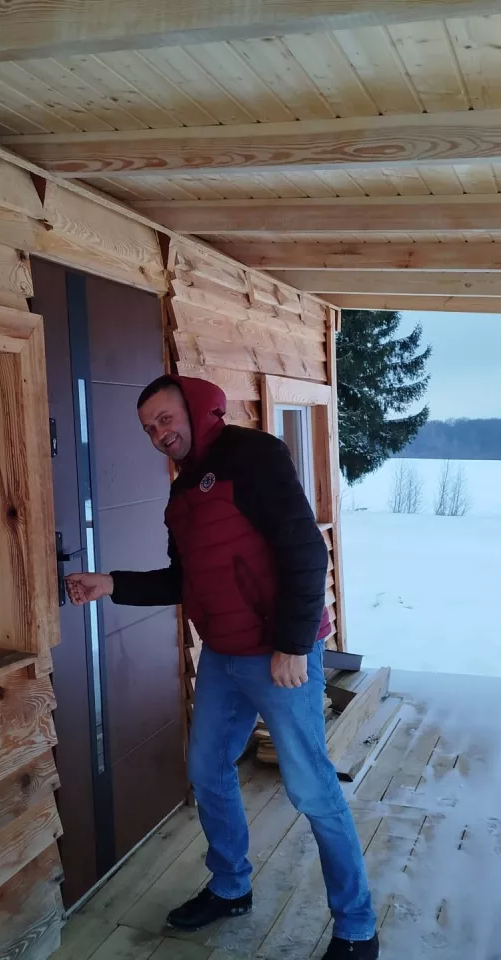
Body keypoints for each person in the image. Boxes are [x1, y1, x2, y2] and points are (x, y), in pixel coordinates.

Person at [65, 374, 379, 959]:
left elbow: (307, 550)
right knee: (206, 767)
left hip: (279, 652)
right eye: (149, 428)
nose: (159, 434)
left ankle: (357, 926)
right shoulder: (182, 494)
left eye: (165, 418)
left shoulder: (254, 455)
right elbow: (181, 581)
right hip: (223, 655)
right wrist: (111, 583)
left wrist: (292, 644)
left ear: (194, 407)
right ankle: (231, 886)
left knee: (310, 788)